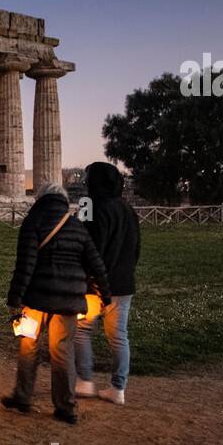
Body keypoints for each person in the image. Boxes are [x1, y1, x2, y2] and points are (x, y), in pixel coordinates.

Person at [3, 182, 111, 424]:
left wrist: (14, 299)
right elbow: (96, 265)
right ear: (63, 201)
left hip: (35, 300)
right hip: (68, 302)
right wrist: (105, 296)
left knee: (28, 348)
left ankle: (22, 397)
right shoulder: (76, 226)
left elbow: (25, 265)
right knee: (62, 353)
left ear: (40, 199)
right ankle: (66, 407)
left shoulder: (33, 223)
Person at [74, 162, 142, 406]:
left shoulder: (88, 206)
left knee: (81, 331)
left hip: (94, 283)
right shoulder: (128, 210)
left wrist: (83, 275)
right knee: (118, 336)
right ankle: (118, 388)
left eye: (87, 179)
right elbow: (135, 249)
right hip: (123, 284)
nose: (84, 183)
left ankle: (84, 381)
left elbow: (82, 242)